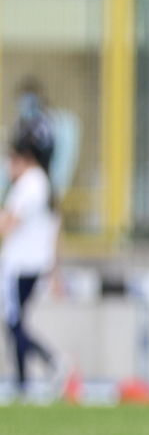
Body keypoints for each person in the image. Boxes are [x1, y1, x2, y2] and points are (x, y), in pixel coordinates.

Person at [1, 135, 60, 396]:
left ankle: (52, 362)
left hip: (20, 266)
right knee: (15, 322)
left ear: (23, 158)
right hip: (31, 264)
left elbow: (8, 224)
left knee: (14, 323)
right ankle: (22, 382)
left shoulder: (30, 184)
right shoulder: (40, 183)